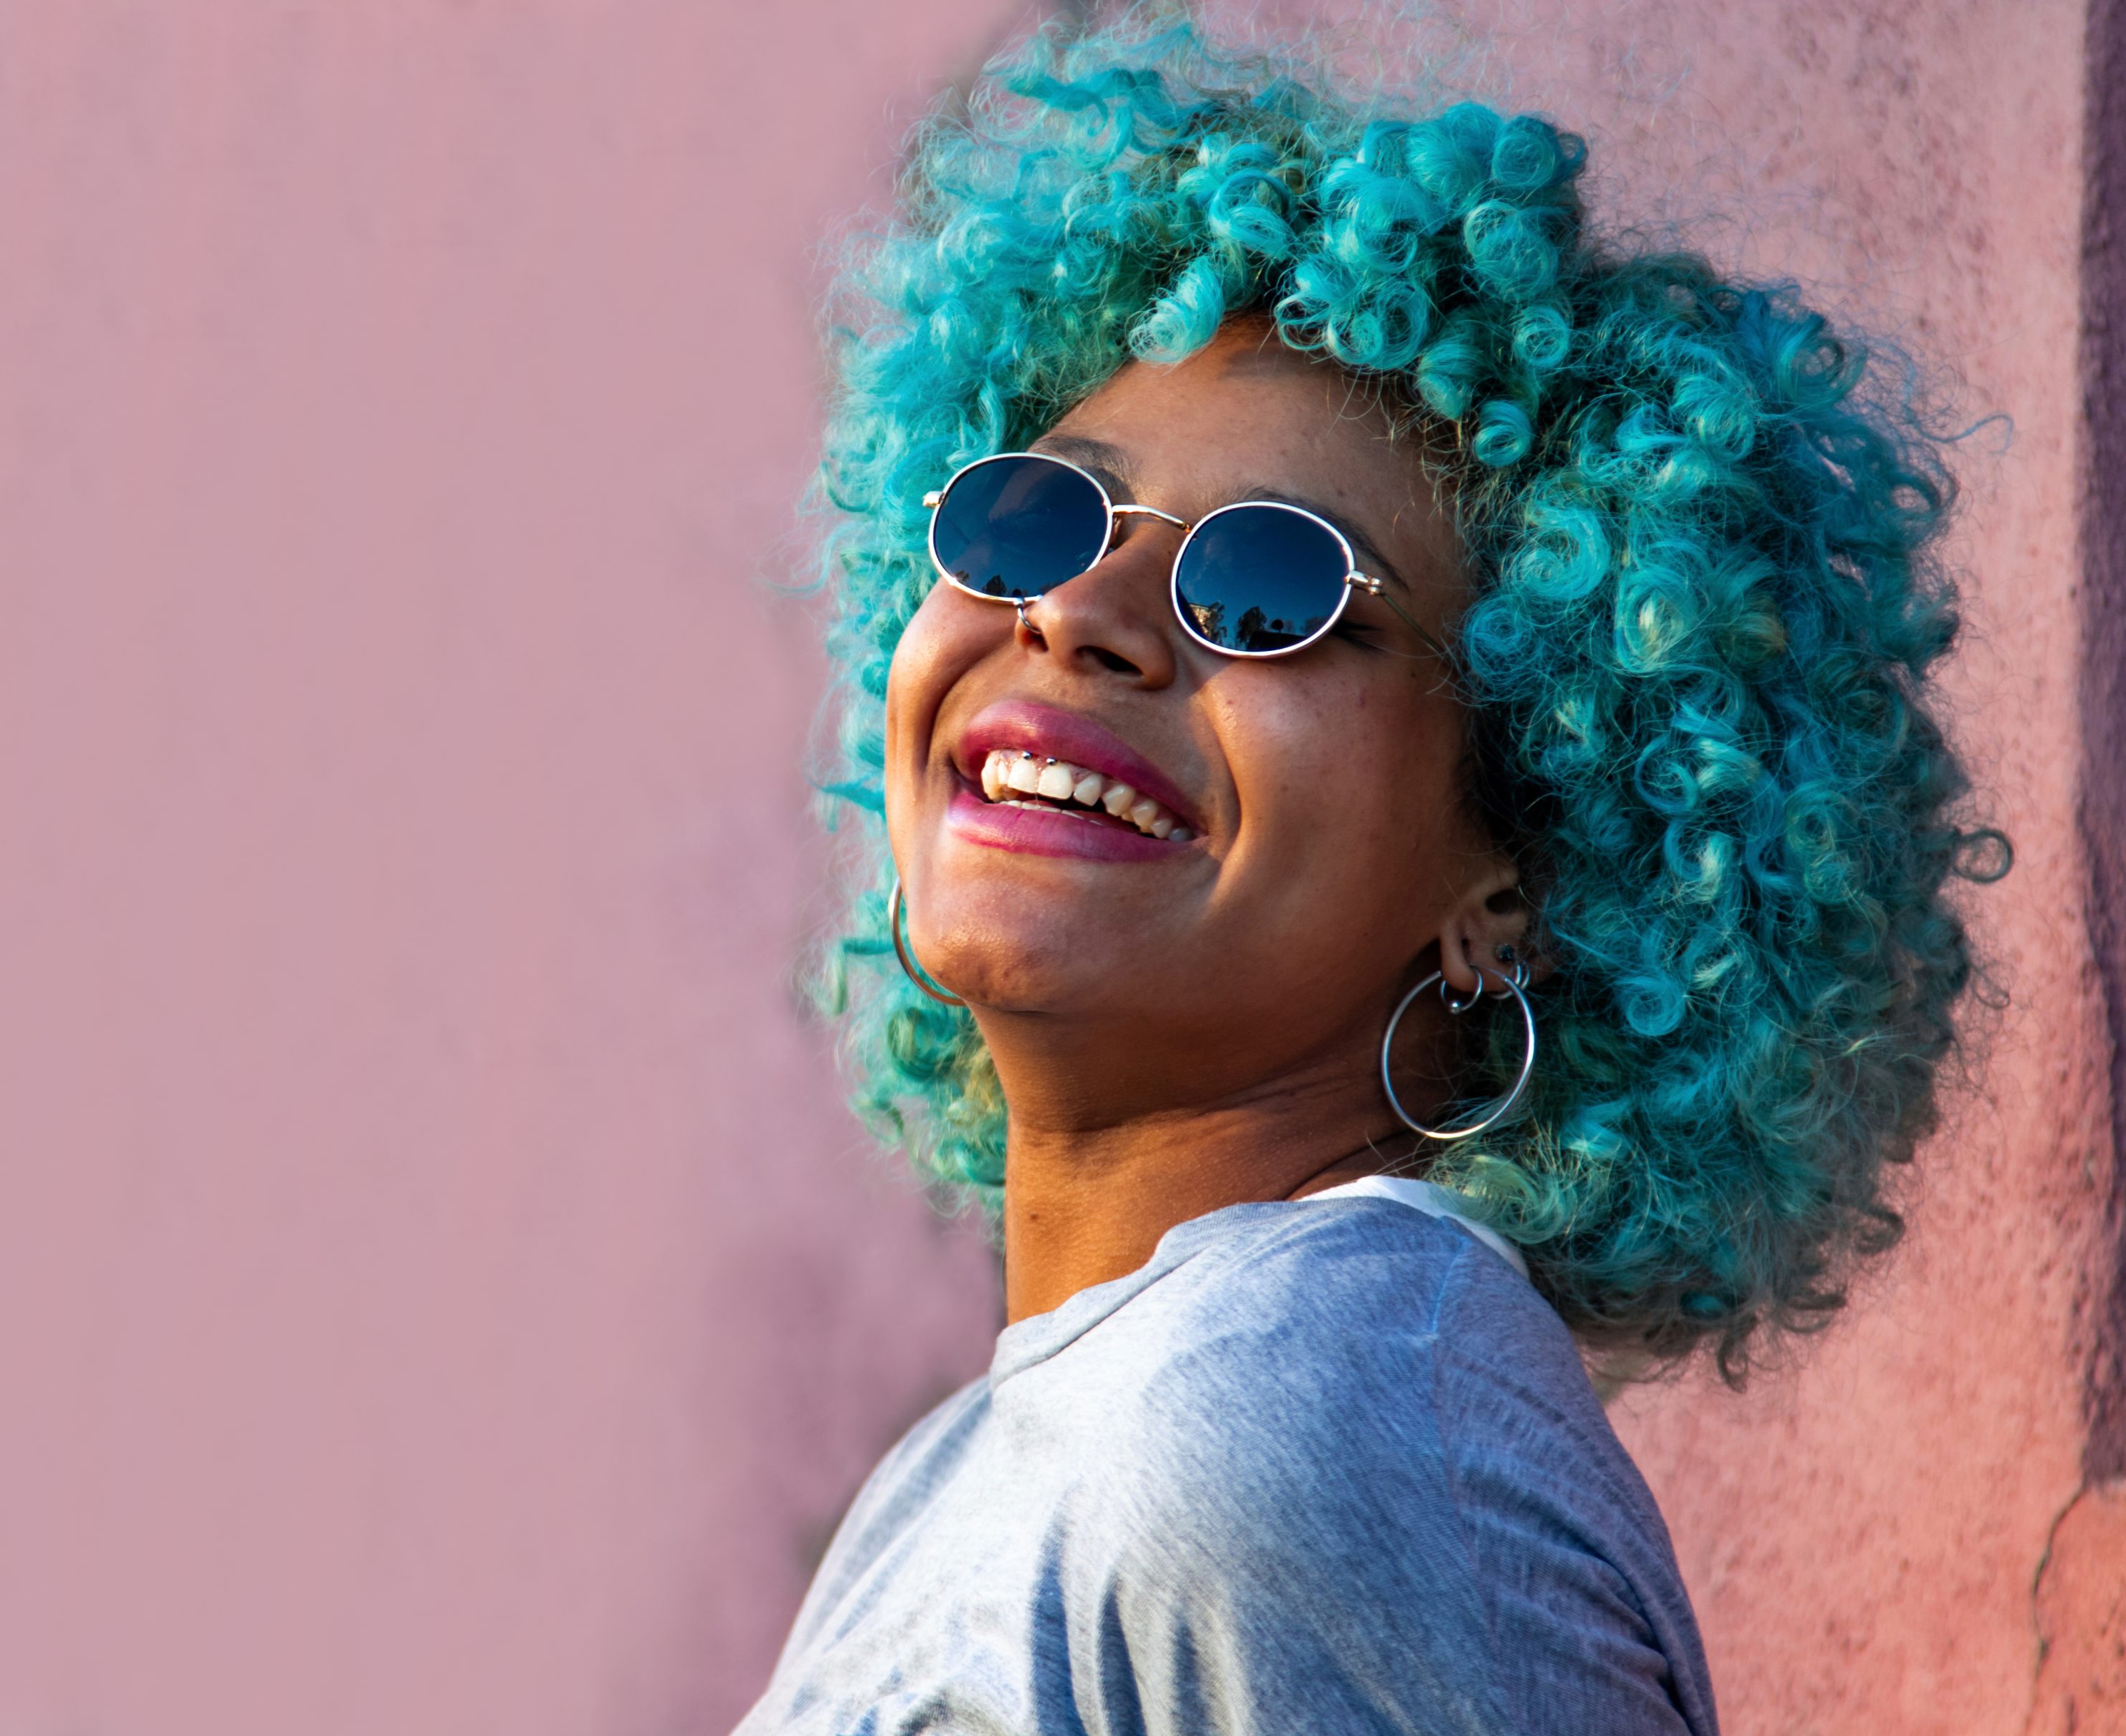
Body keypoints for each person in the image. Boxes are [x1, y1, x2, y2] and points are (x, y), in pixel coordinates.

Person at [733, 11, 2006, 1735]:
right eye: (1035, 517)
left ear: (1511, 877)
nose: (1081, 618)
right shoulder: (975, 1472)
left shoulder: (1290, 1408)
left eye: (1270, 589)